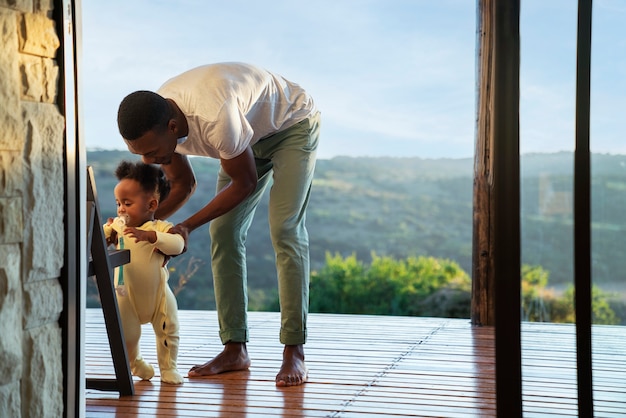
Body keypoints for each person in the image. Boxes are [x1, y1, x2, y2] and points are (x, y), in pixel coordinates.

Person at [116, 62, 320, 387]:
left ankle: (294, 349)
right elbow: (183, 184)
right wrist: (146, 231)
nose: (149, 162)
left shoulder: (214, 118)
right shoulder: (159, 119)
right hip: (243, 136)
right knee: (223, 232)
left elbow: (245, 182)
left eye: (153, 153)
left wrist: (184, 227)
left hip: (290, 125)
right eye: (141, 155)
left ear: (172, 127)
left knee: (285, 229)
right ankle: (234, 348)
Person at [104, 160, 186, 384]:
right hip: (124, 295)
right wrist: (107, 231)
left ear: (151, 205)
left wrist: (153, 238)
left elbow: (178, 244)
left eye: (127, 203)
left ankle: (168, 367)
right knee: (127, 336)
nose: (120, 209)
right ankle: (136, 363)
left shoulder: (159, 228)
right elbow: (99, 238)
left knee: (169, 329)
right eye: (118, 203)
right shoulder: (118, 227)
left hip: (158, 294)